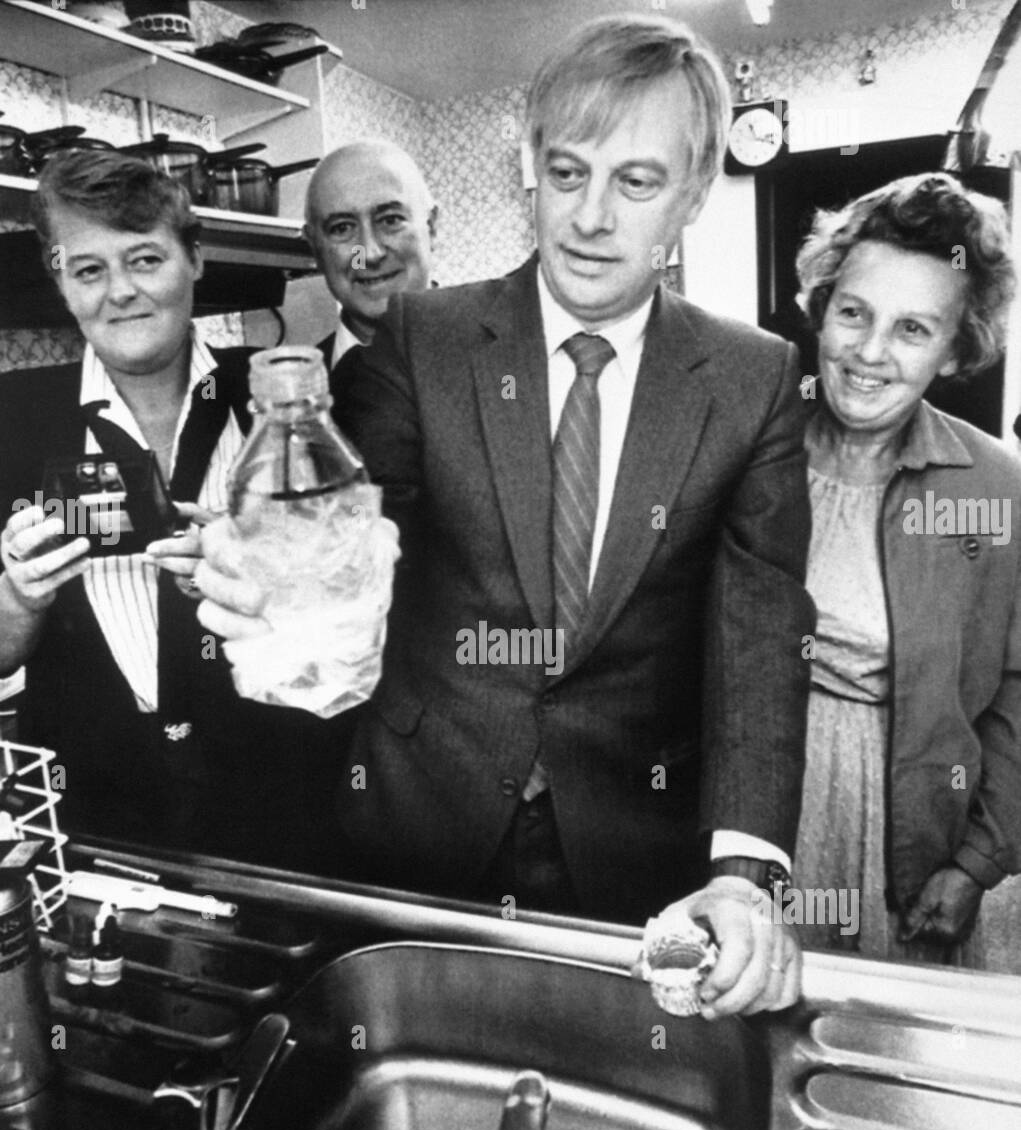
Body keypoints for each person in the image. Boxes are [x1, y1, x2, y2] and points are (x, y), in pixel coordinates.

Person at [198, 15, 816, 1018]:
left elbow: (758, 635)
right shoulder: (424, 339)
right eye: (566, 172)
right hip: (417, 825)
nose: (590, 217)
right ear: (529, 168)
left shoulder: (752, 379)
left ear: (695, 192)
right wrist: (275, 587)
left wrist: (743, 870)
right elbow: (363, 531)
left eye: (637, 182)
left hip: (630, 846)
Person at [0, 150, 335, 869]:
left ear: (195, 259)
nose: (119, 292)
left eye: (145, 259)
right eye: (88, 269)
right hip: (92, 818)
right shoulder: (10, 420)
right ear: (59, 280)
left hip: (281, 800)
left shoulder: (281, 394)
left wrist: (266, 577)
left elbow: (352, 612)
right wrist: (18, 603)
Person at [792, 171, 1021, 967]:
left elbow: (1017, 692)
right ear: (822, 304)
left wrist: (976, 862)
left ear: (957, 347)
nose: (869, 353)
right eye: (852, 312)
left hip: (916, 823)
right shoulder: (751, 448)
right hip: (762, 807)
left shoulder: (992, 486)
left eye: (913, 329)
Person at [303, 139, 437, 370]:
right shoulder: (295, 396)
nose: (370, 254)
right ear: (315, 249)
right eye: (342, 228)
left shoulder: (507, 362)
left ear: (432, 227)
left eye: (390, 220)